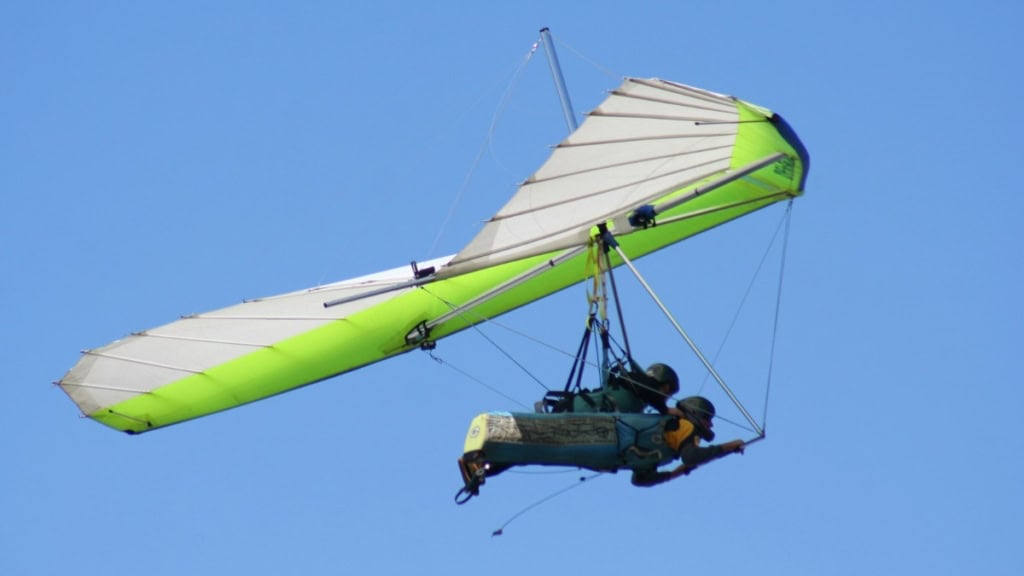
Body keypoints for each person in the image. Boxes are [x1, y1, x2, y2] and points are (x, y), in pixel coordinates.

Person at [630, 396, 745, 487]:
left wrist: (675, 473)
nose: (711, 424)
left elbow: (640, 479)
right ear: (695, 413)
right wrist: (728, 446)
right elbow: (691, 457)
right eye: (708, 418)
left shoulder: (669, 427)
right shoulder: (685, 426)